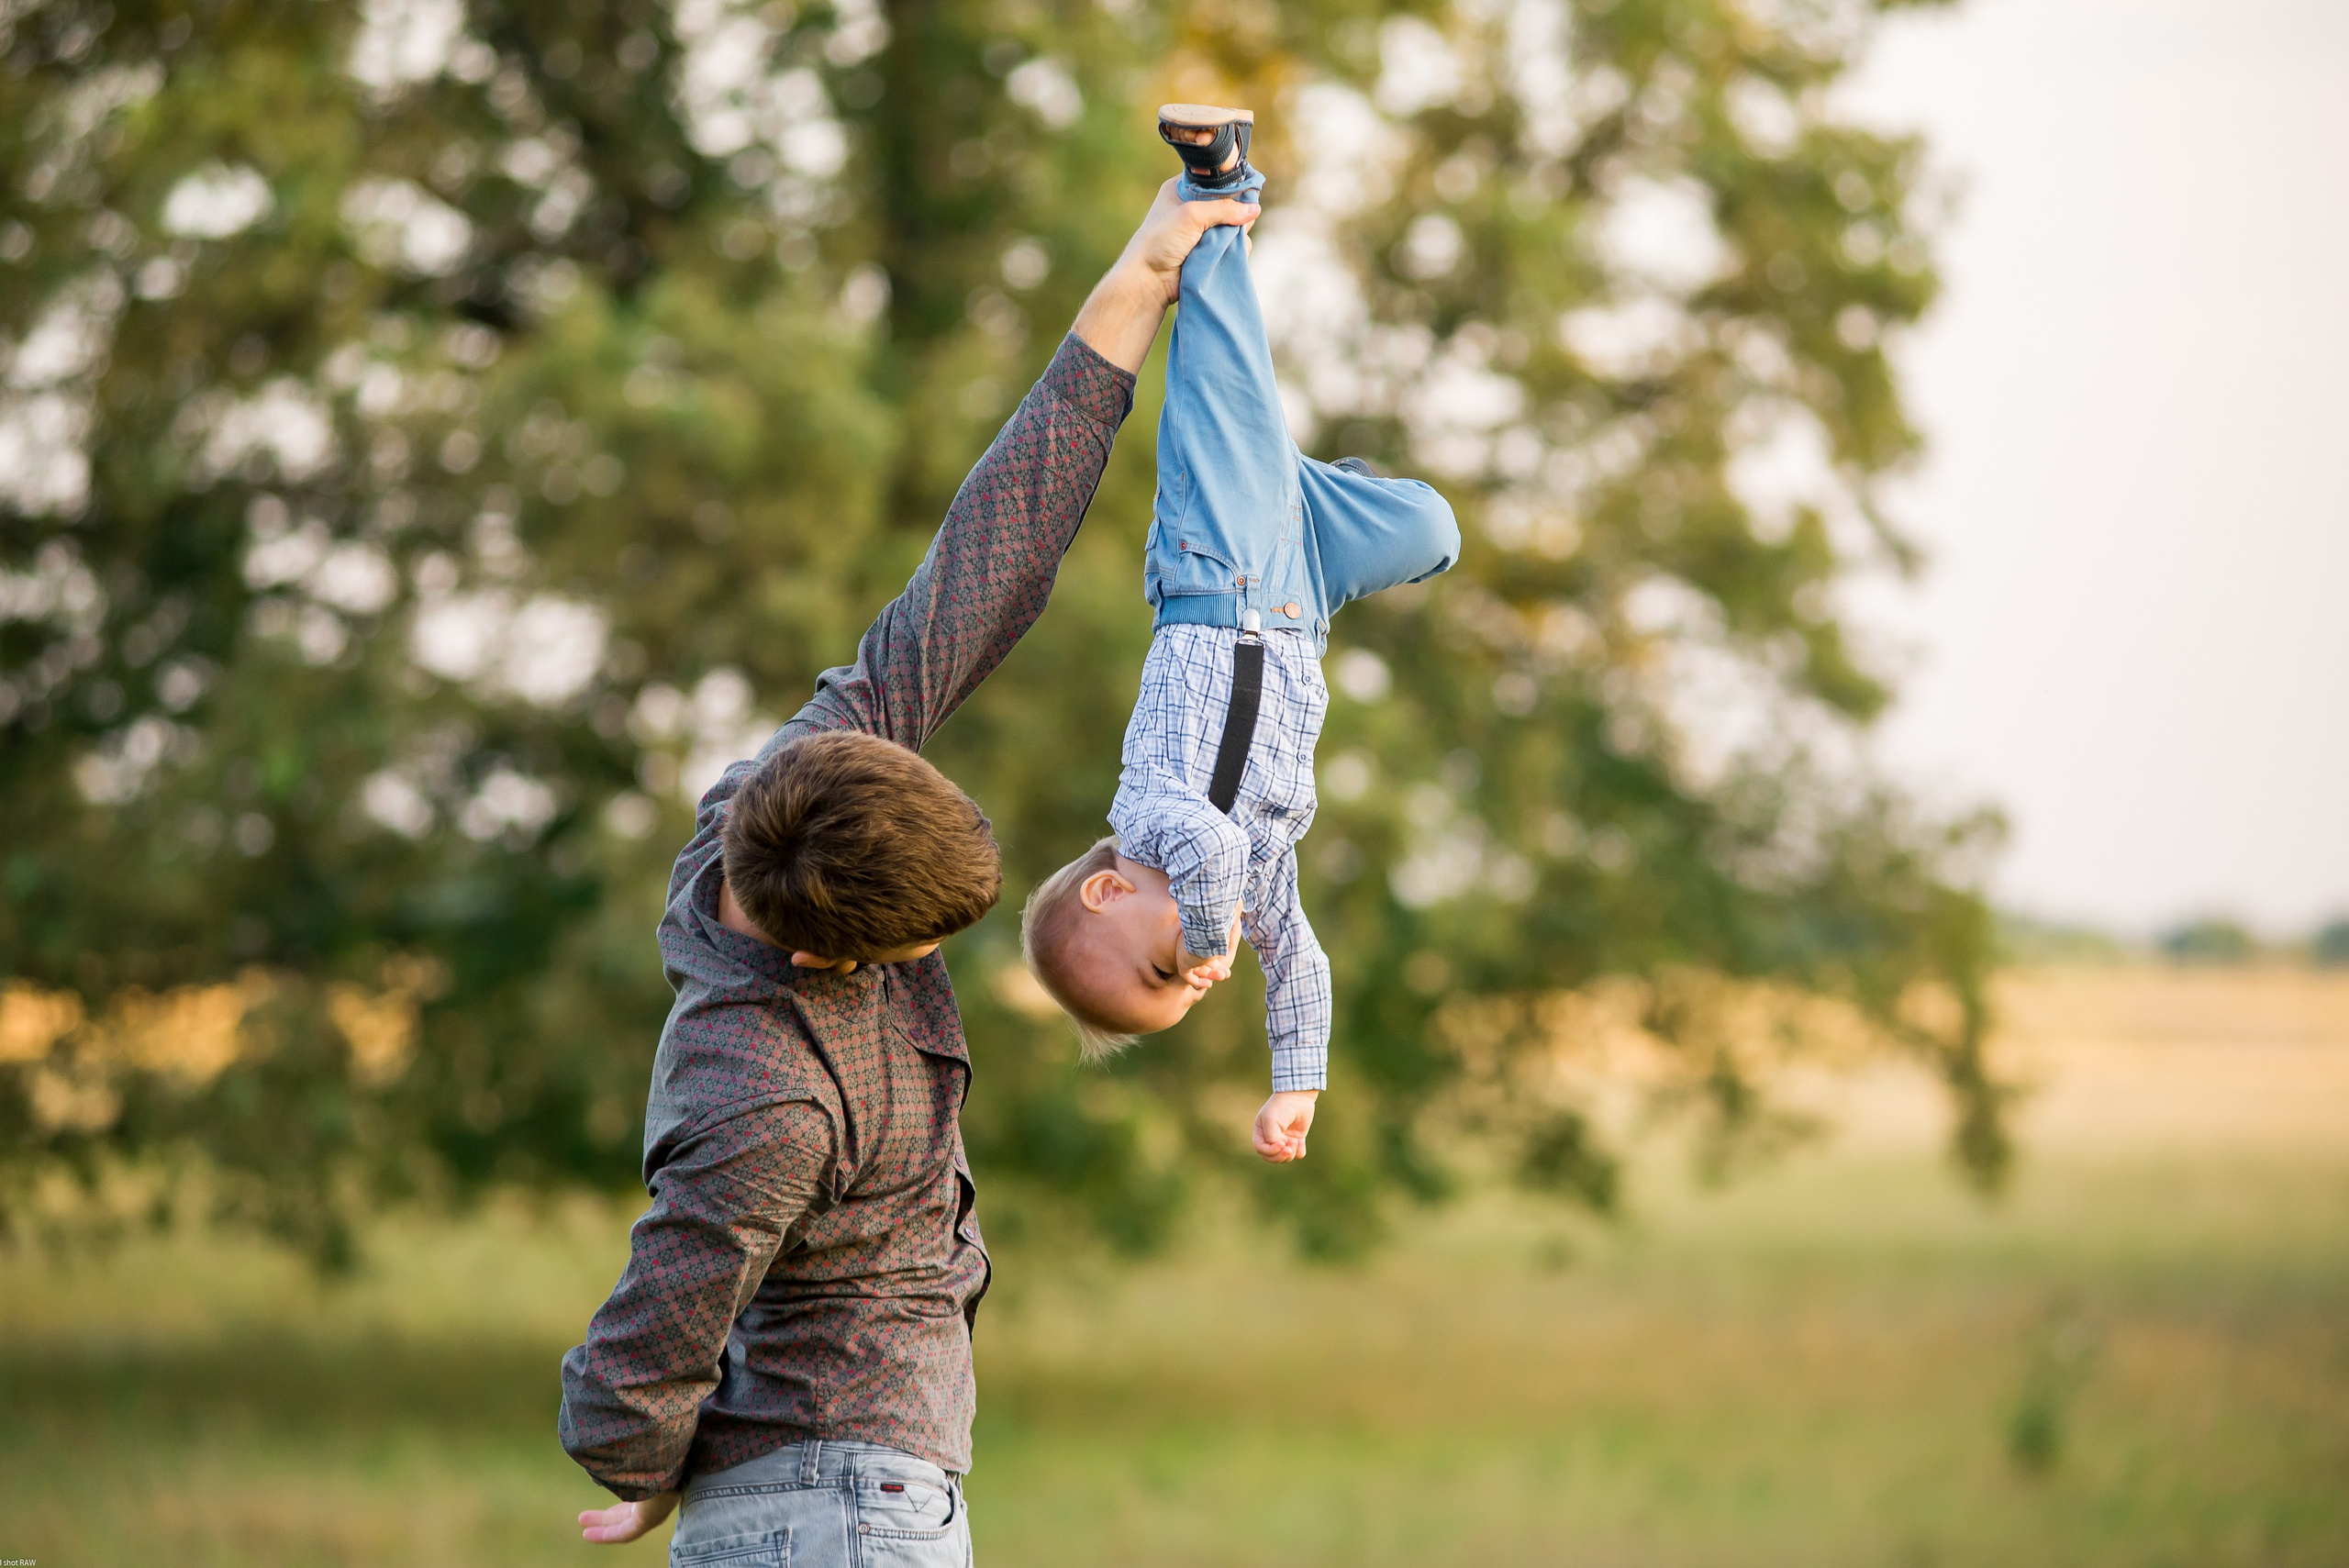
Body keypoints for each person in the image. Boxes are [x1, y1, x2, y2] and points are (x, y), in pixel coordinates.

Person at [558, 177, 1260, 1562]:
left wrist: (1139, 279)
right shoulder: (757, 1088)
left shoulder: (796, 787)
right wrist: (635, 1451)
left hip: (847, 1500)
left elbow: (984, 565)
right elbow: (663, 1308)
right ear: (833, 958)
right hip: (831, 1519)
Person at [1019, 106, 1461, 1163]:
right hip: (1302, 593)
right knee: (1432, 530)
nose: (1198, 970)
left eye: (1162, 969)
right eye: (1187, 988)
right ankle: (1293, 473)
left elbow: (1213, 849)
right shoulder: (1256, 881)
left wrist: (1212, 939)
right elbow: (1298, 956)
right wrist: (1295, 1082)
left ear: (1110, 888)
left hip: (1215, 567)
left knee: (1218, 350)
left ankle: (1213, 178)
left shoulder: (1155, 821)